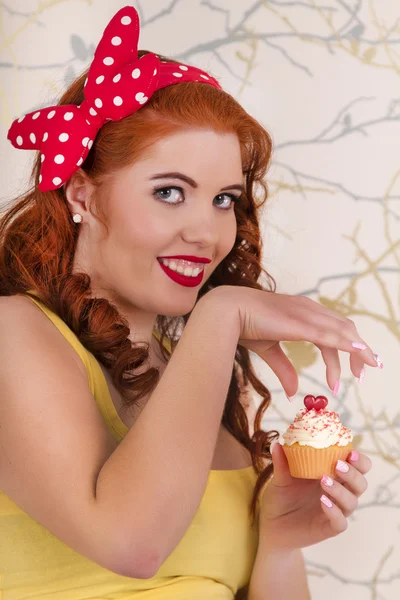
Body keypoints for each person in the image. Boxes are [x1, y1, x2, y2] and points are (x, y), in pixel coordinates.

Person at [0, 5, 378, 600]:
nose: (207, 231)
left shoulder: (199, 369)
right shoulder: (14, 334)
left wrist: (278, 540)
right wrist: (222, 311)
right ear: (83, 194)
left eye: (224, 199)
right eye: (170, 192)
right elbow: (133, 544)